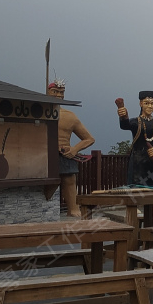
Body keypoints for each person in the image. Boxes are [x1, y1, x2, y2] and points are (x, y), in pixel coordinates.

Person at [47, 79, 95, 217]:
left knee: (69, 179)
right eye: (55, 91)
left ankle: (73, 208)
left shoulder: (70, 116)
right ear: (47, 92)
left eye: (61, 92)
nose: (58, 95)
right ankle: (46, 207)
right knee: (45, 182)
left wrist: (74, 149)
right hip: (44, 153)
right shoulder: (37, 112)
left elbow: (89, 138)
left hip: (64, 153)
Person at [117, 91, 153, 188]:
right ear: (141, 104)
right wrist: (123, 116)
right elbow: (124, 125)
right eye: (146, 103)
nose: (150, 106)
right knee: (136, 190)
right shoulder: (136, 122)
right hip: (138, 164)